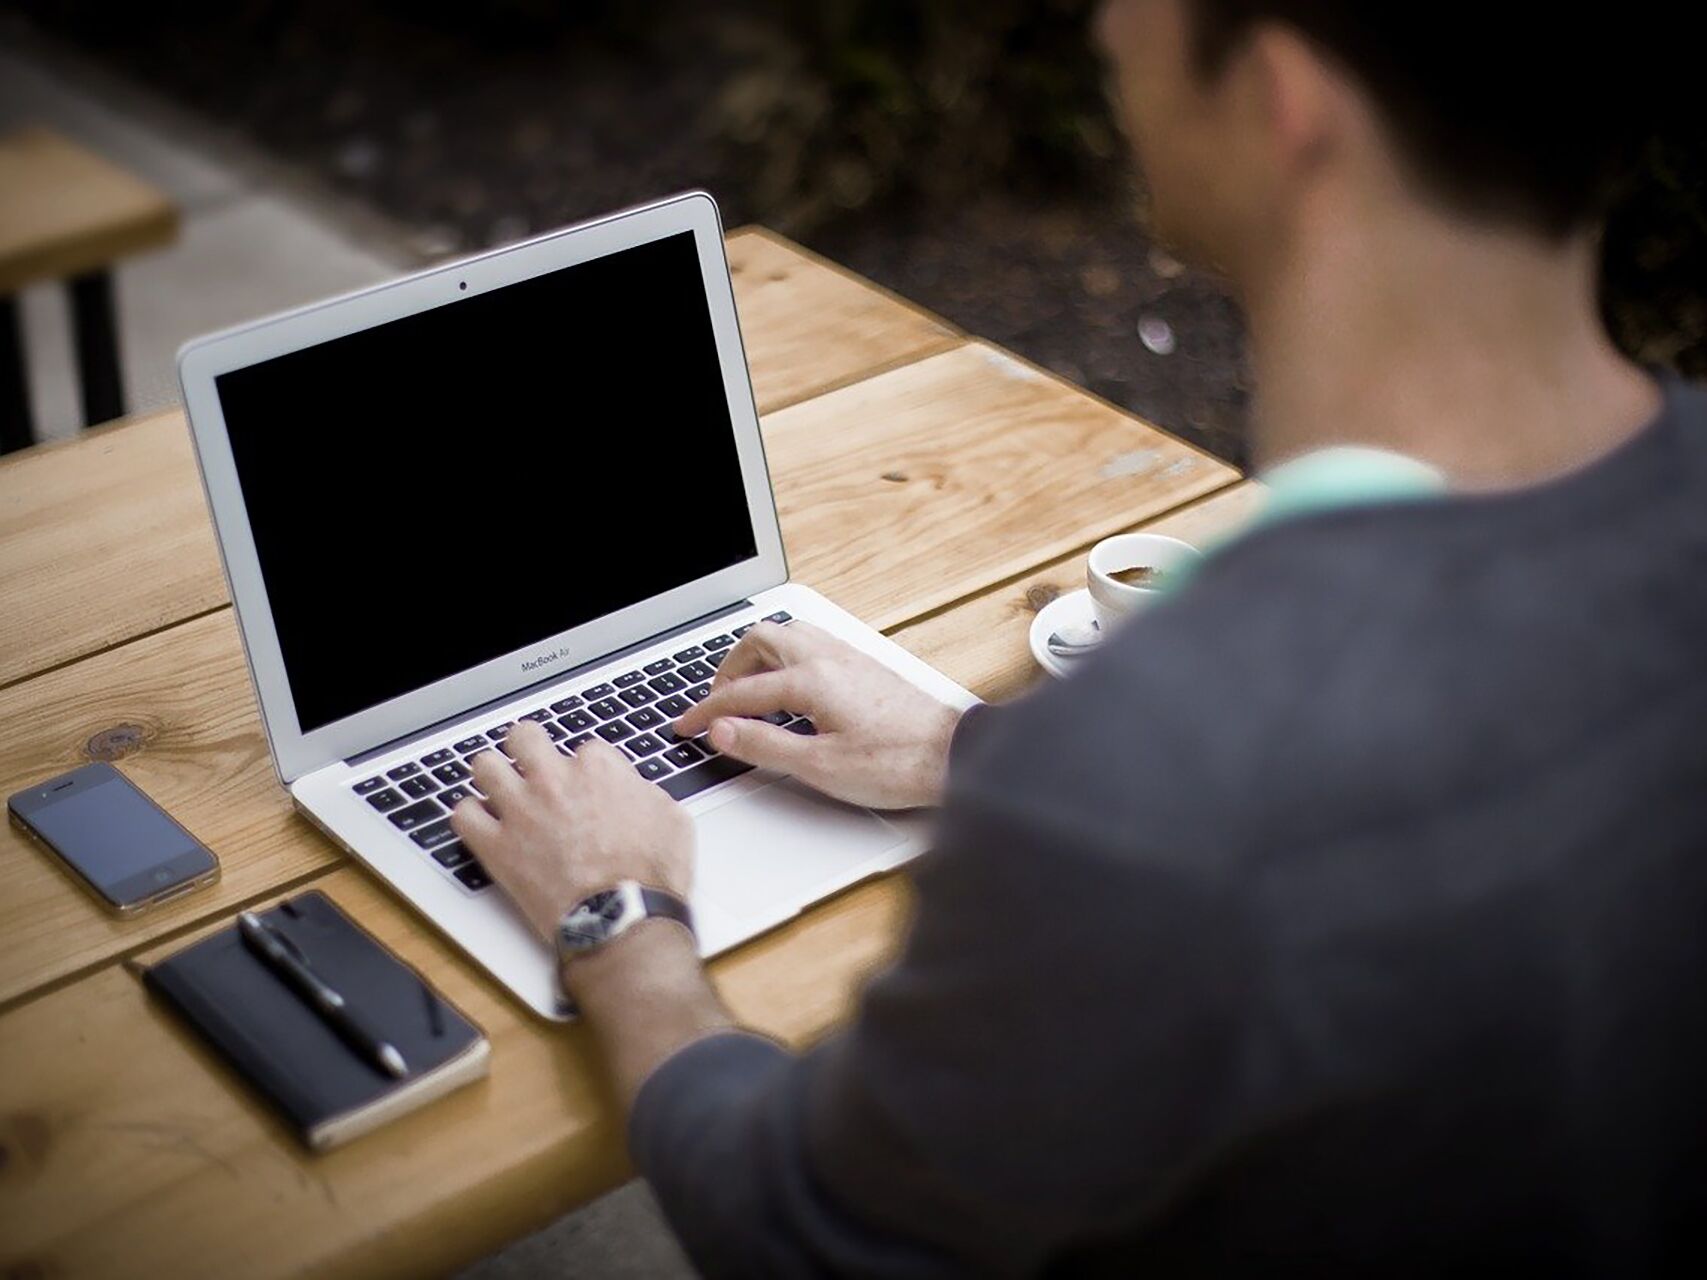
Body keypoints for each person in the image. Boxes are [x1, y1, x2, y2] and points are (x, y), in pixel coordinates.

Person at [451, 1, 1705, 1273]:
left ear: (1284, 98)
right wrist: (965, 745)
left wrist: (622, 917)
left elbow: (798, 1229)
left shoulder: (1162, 769)